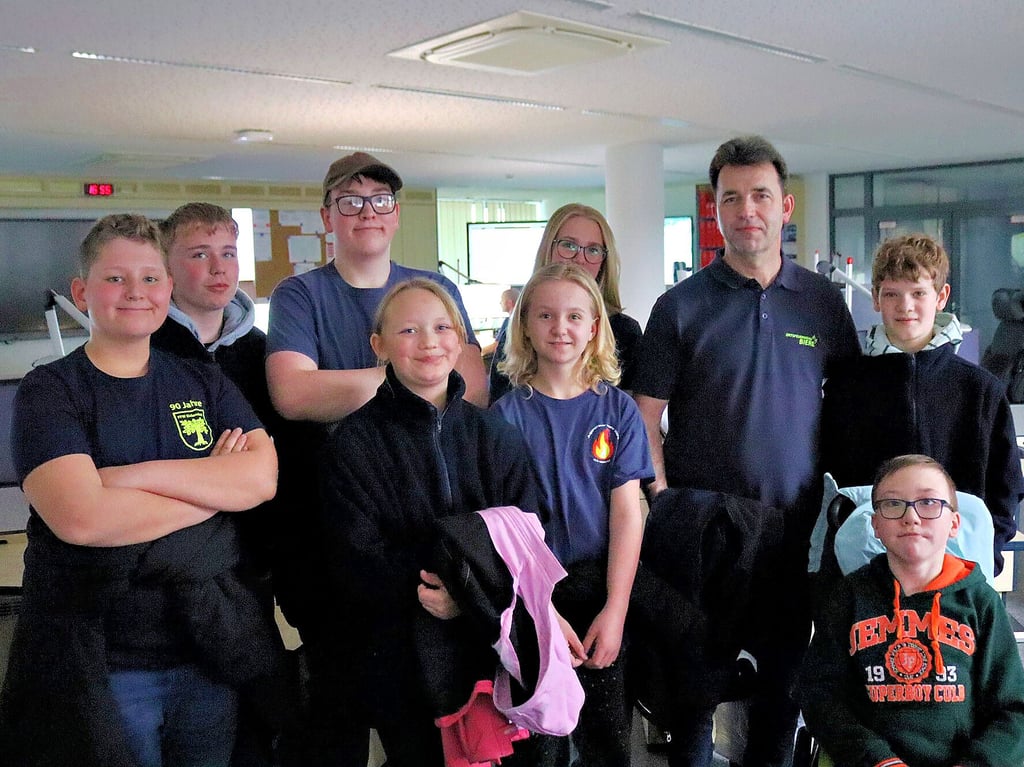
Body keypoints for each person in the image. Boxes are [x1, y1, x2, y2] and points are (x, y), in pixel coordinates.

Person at [0, 214, 282, 767]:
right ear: (82, 292)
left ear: (169, 289)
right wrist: (210, 490)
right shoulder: (49, 392)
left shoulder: (202, 381)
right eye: (115, 279)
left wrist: (123, 480)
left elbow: (260, 479)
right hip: (104, 663)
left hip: (206, 651)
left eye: (151, 279)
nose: (136, 293)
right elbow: (81, 520)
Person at [632, 135, 861, 767]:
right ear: (715, 210)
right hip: (704, 535)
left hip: (794, 532)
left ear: (785, 206)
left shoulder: (822, 302)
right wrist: (663, 501)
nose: (746, 210)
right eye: (730, 198)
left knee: (780, 699)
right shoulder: (679, 307)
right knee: (693, 702)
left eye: (760, 195)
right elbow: (644, 419)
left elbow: (847, 411)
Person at [264, 152, 486, 762]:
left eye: (381, 200)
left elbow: (474, 389)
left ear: (396, 215)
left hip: (427, 531)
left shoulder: (434, 289)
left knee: (432, 713)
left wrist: (371, 382)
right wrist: (409, 381)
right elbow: (293, 393)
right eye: (351, 200)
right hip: (331, 540)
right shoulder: (300, 294)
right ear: (327, 216)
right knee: (339, 707)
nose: (368, 212)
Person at [315, 278, 546, 766]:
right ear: (379, 346)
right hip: (401, 658)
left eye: (442, 327)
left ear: (460, 339)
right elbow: (353, 556)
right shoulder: (352, 445)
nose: (428, 342)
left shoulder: (493, 435)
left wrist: (469, 596)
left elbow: (527, 534)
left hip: (491, 645)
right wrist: (433, 590)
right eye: (409, 330)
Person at [493, 262, 653, 766]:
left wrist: (616, 608)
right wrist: (541, 610)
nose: (560, 328)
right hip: (534, 594)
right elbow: (505, 526)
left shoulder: (619, 410)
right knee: (540, 742)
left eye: (574, 316)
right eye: (545, 315)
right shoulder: (506, 416)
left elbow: (628, 513)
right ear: (525, 327)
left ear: (594, 328)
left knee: (606, 736)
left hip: (600, 588)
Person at [152, 202, 291, 766]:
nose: (218, 267)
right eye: (199, 254)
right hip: (178, 553)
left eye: (228, 253)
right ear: (167, 265)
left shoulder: (265, 353)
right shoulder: (148, 349)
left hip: (257, 552)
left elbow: (272, 460)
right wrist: (221, 470)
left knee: (256, 692)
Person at [799, 454, 1024, 767]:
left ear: (954, 523)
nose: (911, 517)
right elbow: (819, 695)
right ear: (875, 523)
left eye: (929, 503)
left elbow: (1013, 710)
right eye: (893, 504)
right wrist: (876, 759)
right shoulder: (849, 597)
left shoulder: (980, 601)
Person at [819, 233, 1023, 576]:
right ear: (875, 299)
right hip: (864, 571)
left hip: (958, 571)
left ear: (941, 296)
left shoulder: (980, 390)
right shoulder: (844, 388)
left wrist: (987, 553)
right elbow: (827, 480)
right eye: (892, 294)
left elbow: (1005, 485)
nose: (905, 306)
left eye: (918, 293)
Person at [489, 204, 643, 401]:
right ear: (548, 248)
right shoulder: (518, 326)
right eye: (569, 245)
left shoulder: (626, 332)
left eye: (593, 250)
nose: (580, 258)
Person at [480, 286, 520, 359]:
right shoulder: (522, 321)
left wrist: (480, 351)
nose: (500, 303)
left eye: (502, 300)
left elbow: (496, 346)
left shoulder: (509, 322)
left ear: (509, 302)